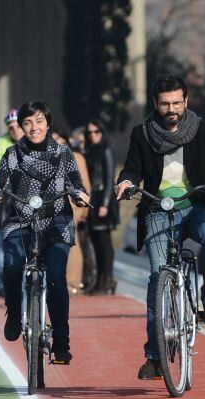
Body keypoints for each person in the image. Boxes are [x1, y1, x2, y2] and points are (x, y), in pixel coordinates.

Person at [115, 75, 205, 380]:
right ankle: (155, 357)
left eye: (176, 103)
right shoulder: (142, 134)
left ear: (185, 101)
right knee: (158, 278)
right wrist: (126, 182)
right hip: (158, 209)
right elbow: (132, 167)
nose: (171, 109)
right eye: (165, 103)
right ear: (156, 103)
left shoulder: (203, 129)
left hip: (197, 206)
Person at [0, 101, 89, 364]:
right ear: (20, 126)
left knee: (57, 277)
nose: (34, 128)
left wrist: (80, 196)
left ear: (48, 123)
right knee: (11, 266)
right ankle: (13, 313)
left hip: (56, 222)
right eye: (27, 123)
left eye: (39, 121)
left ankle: (61, 341)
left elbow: (76, 184)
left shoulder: (63, 153)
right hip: (19, 221)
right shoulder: (13, 154)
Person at [0, 108, 24, 298]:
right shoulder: (2, 143)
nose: (15, 131)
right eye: (11, 127)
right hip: (5, 199)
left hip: (27, 200)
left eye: (18, 126)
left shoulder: (33, 142)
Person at [51, 127, 92, 295]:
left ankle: (73, 282)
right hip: (51, 206)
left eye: (59, 139)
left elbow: (85, 185)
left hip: (73, 206)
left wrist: (84, 211)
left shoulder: (76, 157)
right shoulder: (47, 156)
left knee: (72, 243)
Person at [84, 118, 119, 295]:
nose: (93, 136)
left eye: (96, 132)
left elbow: (109, 179)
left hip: (104, 199)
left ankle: (107, 280)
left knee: (104, 242)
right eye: (89, 133)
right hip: (92, 199)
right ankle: (99, 280)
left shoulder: (106, 150)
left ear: (102, 132)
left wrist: (105, 204)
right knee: (96, 242)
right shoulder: (90, 150)